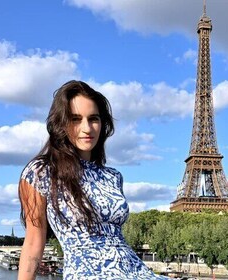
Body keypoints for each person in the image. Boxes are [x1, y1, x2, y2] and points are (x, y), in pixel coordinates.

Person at [18, 80, 169, 279]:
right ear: (60, 124)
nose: (87, 128)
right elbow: (33, 244)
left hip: (136, 272)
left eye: (93, 119)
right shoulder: (41, 172)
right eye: (75, 119)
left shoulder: (113, 177)